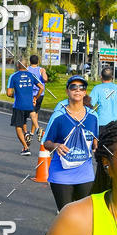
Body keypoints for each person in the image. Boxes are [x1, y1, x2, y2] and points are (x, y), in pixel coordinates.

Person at [42, 76, 98, 210]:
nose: (77, 90)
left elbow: (95, 139)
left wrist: (97, 147)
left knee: (85, 215)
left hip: (85, 174)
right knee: (66, 216)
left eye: (81, 87)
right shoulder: (58, 116)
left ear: (85, 92)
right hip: (61, 175)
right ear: (67, 91)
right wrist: (56, 146)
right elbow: (46, 143)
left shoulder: (93, 116)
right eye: (73, 87)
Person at [7, 60, 43, 156]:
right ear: (27, 66)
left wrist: (14, 94)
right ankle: (34, 130)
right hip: (29, 104)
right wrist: (35, 97)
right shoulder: (31, 75)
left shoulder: (13, 76)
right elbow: (42, 87)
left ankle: (26, 148)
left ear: (18, 65)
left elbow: (9, 93)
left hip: (18, 105)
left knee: (18, 126)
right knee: (30, 115)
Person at [27, 54, 48, 139]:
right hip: (40, 94)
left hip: (31, 94)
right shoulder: (41, 69)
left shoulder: (27, 69)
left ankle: (38, 129)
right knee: (35, 113)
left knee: (32, 113)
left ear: (30, 61)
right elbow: (45, 79)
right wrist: (43, 72)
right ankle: (32, 133)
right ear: (38, 62)